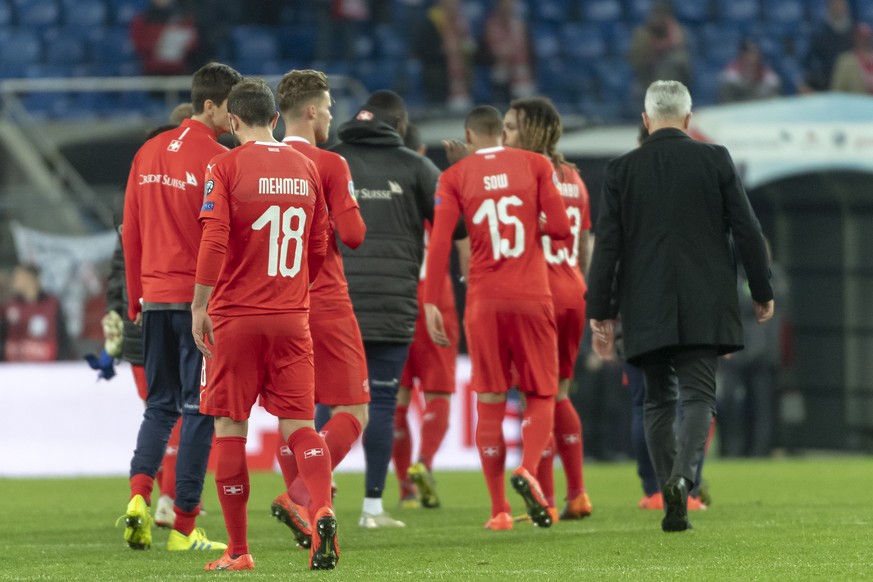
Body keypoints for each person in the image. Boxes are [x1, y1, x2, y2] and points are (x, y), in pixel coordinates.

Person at [587, 80, 774, 533]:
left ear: (646, 120)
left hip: (643, 300)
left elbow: (607, 247)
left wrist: (601, 312)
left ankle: (667, 486)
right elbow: (747, 229)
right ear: (689, 120)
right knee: (698, 397)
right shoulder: (715, 159)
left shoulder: (620, 170)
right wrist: (761, 289)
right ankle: (682, 482)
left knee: (655, 401)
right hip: (704, 299)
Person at [192, 77, 337, 572]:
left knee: (230, 427)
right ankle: (321, 510)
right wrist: (295, 292)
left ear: (232, 121)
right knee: (300, 426)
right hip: (292, 317)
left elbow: (213, 241)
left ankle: (238, 551)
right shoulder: (307, 167)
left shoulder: (224, 165)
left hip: (236, 317)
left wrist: (199, 306)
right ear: (275, 118)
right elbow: (319, 247)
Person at [424, 105, 571, 530]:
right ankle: (528, 469)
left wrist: (434, 301)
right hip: (530, 295)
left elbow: (438, 246)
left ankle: (499, 510)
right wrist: (530, 221)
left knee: (489, 399)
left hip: (483, 300)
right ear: (500, 134)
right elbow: (561, 228)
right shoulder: (536, 164)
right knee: (541, 394)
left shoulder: (453, 177)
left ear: (469, 136)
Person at [119, 61, 241, 552]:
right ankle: (186, 526)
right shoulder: (218, 158)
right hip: (197, 305)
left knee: (159, 406)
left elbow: (131, 231)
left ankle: (137, 498)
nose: (235, 119)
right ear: (210, 104)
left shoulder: (147, 152)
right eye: (230, 107)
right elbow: (221, 238)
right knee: (197, 409)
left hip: (153, 299)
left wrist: (134, 296)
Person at [331, 90, 442, 528]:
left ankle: (310, 493)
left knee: (325, 399)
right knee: (380, 401)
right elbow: (457, 222)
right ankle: (372, 508)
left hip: (337, 301)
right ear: (400, 124)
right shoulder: (416, 166)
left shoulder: (331, 159)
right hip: (394, 303)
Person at [268, 69, 369, 548]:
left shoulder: (256, 162)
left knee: (296, 418)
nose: (331, 116)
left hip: (273, 306)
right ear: (311, 111)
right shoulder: (330, 163)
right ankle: (299, 493)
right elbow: (353, 235)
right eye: (328, 108)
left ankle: (307, 507)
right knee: (354, 409)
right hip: (324, 299)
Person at [500, 97, 592, 522]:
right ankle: (578, 495)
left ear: (534, 131)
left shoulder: (522, 174)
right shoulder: (574, 177)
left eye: (514, 127)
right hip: (573, 289)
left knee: (537, 397)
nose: (506, 135)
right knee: (561, 394)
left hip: (537, 293)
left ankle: (549, 502)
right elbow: (585, 244)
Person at [392, 123, 470, 510]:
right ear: (421, 150)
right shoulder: (440, 188)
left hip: (394, 300)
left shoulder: (382, 189)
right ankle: (424, 463)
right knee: (438, 392)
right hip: (436, 302)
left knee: (396, 397)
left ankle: (405, 487)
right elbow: (464, 244)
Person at [719, 239, 790, 458]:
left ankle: (759, 452)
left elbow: (770, 302)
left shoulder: (775, 276)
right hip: (737, 350)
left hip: (763, 353)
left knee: (762, 406)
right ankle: (733, 450)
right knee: (731, 403)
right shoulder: (737, 274)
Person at [0, 264, 73, 361]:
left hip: (47, 368)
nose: (14, 280)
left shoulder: (52, 305)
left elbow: (63, 337)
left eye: (18, 276)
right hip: (15, 368)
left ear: (31, 278)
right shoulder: (8, 307)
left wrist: (59, 362)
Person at [413, 0, 475, 111]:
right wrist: (442, 50)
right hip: (437, 67)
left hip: (459, 70)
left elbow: (468, 44)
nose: (454, 5)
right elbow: (420, 48)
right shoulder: (431, 20)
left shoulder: (461, 22)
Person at [628, 1, 692, 100]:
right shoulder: (642, 33)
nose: (657, 19)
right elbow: (636, 60)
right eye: (655, 14)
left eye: (661, 15)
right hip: (647, 75)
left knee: (676, 60)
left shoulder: (678, 32)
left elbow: (684, 58)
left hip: (673, 77)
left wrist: (673, 36)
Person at [477, 0, 536, 103]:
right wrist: (501, 55)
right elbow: (484, 54)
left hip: (520, 72)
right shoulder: (490, 25)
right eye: (504, 3)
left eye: (510, 4)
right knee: (499, 76)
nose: (507, 7)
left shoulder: (520, 25)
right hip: (498, 71)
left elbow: (529, 52)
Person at [130, 0, 199, 76]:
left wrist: (185, 46)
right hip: (151, 71)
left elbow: (193, 41)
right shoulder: (142, 19)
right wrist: (154, 46)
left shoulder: (184, 18)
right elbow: (138, 43)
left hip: (178, 71)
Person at [803, 0, 854, 92]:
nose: (838, 7)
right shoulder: (820, 34)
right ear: (828, 7)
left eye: (841, 4)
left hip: (851, 84)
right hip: (827, 84)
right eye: (835, 4)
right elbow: (810, 62)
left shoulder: (854, 33)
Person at [830, 23, 873, 94]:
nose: (863, 41)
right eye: (860, 38)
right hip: (854, 102)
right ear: (855, 39)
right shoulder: (845, 61)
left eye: (865, 38)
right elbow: (837, 90)